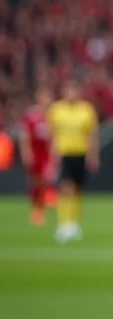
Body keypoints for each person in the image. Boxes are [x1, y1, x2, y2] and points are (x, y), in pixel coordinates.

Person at [47, 78, 99, 243]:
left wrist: (93, 155)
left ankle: (74, 223)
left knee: (78, 190)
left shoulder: (86, 110)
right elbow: (51, 134)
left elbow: (92, 135)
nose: (72, 94)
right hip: (64, 153)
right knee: (66, 188)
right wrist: (51, 155)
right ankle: (64, 223)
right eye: (69, 90)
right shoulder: (56, 110)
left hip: (81, 154)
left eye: (75, 90)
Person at [19, 86, 55, 226]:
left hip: (47, 154)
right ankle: (37, 210)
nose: (46, 100)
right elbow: (25, 136)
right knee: (35, 182)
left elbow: (54, 137)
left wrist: (54, 153)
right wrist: (26, 152)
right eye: (44, 96)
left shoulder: (53, 115)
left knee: (47, 179)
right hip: (35, 153)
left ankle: (47, 198)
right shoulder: (32, 115)